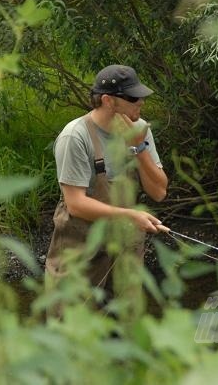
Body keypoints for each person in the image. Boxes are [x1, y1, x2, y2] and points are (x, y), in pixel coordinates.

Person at [45, 64, 169, 294]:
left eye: (141, 96)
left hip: (126, 252)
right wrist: (131, 215)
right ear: (108, 100)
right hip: (80, 252)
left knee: (126, 326)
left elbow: (159, 192)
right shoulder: (75, 136)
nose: (141, 102)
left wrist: (138, 145)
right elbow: (75, 203)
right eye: (133, 98)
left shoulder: (140, 128)